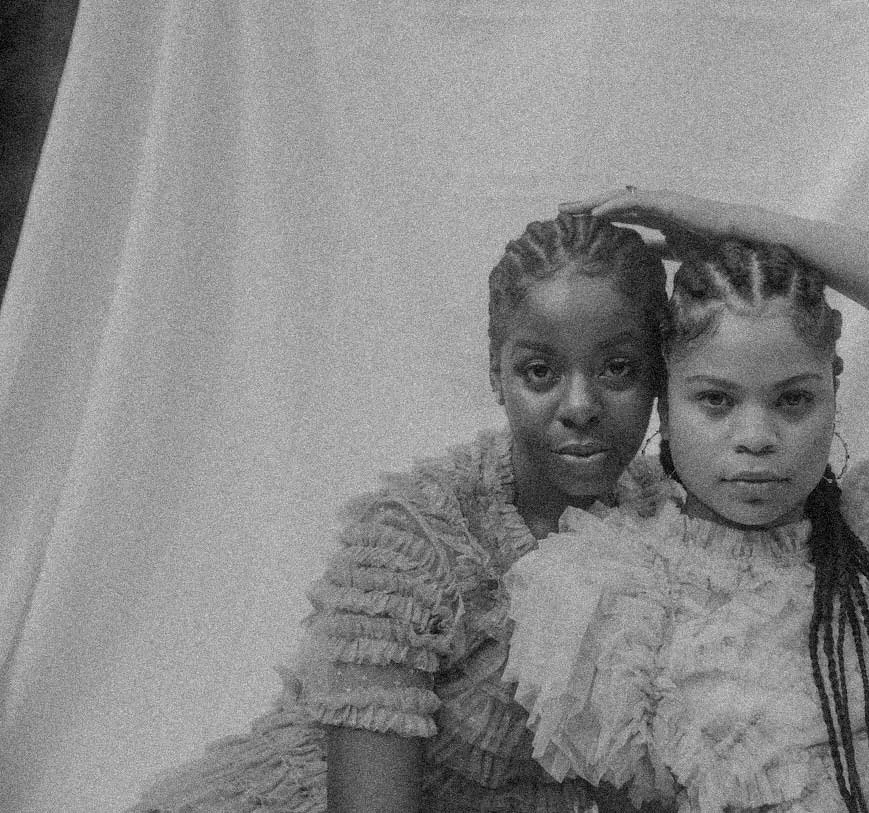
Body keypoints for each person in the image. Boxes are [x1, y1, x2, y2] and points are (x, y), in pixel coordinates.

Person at [128, 211, 674, 813]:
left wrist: (727, 236)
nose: (580, 406)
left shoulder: (671, 516)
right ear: (497, 374)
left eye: (618, 368)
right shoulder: (416, 542)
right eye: (540, 371)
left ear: (660, 376)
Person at [503, 190, 869, 812]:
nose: (756, 439)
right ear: (666, 405)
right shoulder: (614, 595)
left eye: (793, 399)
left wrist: (746, 227)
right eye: (716, 401)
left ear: (832, 388)